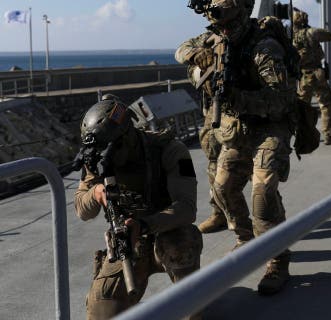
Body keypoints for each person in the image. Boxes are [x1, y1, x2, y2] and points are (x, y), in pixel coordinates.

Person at [176, 0, 295, 295]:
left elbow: (280, 101)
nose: (221, 28)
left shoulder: (264, 47)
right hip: (239, 130)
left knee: (263, 194)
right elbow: (180, 51)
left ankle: (278, 260)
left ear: (240, 14)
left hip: (269, 128)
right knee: (223, 187)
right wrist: (198, 56)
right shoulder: (215, 38)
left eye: (226, 22)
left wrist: (236, 96)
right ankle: (245, 240)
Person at [74, 96, 203, 319]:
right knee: (102, 312)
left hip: (168, 233)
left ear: (129, 137)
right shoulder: (97, 158)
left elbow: (186, 208)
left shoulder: (170, 150)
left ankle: (191, 304)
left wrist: (144, 225)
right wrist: (95, 194)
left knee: (181, 245)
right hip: (129, 243)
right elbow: (82, 210)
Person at [175, 38, 228, 234]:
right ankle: (219, 213)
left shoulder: (252, 33)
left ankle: (266, 222)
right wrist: (197, 54)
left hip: (248, 113)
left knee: (256, 171)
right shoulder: (209, 37)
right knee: (214, 164)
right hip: (215, 113)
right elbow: (181, 50)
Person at [292, 8, 331, 145]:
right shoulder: (312, 32)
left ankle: (301, 135)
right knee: (325, 104)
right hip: (318, 73)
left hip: (304, 75)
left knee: (302, 106)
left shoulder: (292, 37)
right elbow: (330, 36)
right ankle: (328, 135)